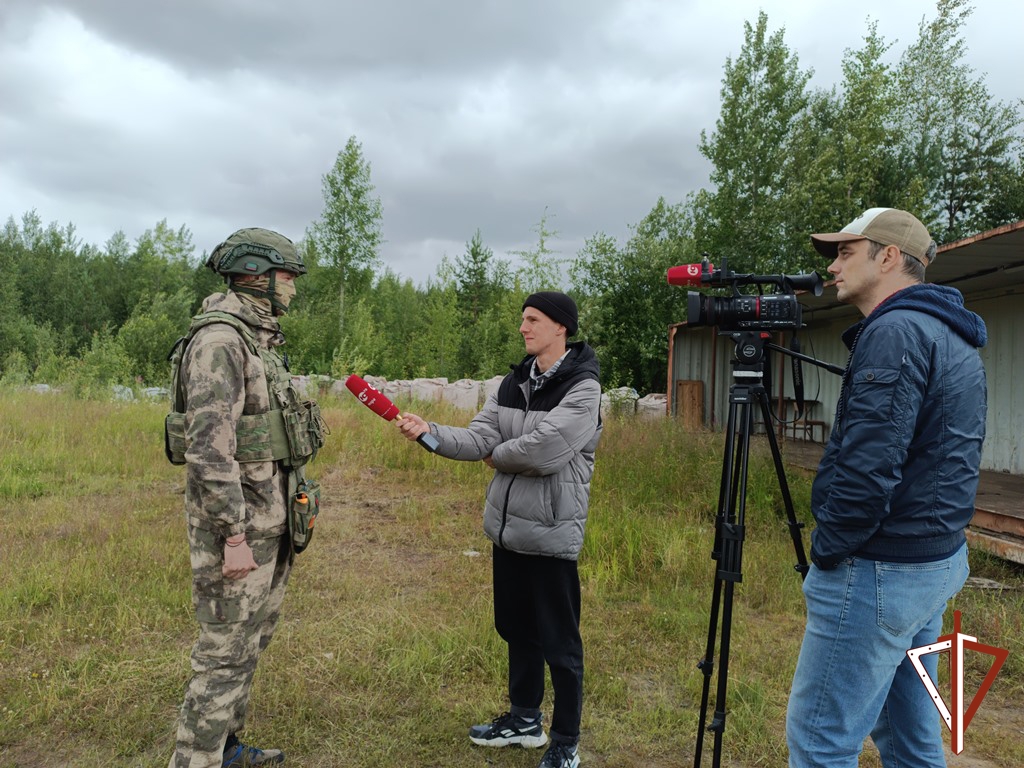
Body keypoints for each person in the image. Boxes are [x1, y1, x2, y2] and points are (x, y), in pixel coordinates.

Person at [786, 209, 987, 768]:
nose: (832, 266)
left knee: (820, 741)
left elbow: (869, 465)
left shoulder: (895, 330)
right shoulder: (950, 333)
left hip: (879, 568)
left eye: (845, 252)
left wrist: (830, 551)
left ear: (889, 256)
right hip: (932, 561)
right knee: (909, 738)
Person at [396, 291, 602, 768]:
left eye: (533, 320)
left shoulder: (583, 387)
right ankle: (525, 720)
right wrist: (430, 431)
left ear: (560, 327)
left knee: (560, 643)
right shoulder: (512, 381)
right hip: (508, 534)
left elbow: (547, 449)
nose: (524, 328)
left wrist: (499, 455)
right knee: (516, 629)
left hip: (550, 536)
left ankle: (566, 742)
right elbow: (479, 435)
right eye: (523, 320)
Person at [166, 228, 323, 768]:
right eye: (289, 279)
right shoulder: (220, 342)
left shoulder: (256, 340)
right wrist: (233, 534)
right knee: (223, 654)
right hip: (238, 529)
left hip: (270, 520)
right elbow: (209, 451)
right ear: (259, 274)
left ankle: (226, 749)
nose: (294, 291)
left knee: (249, 645)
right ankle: (194, 760)